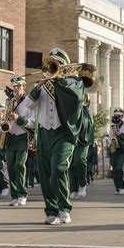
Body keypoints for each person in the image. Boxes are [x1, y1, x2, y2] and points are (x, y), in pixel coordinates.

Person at [25, 48, 85, 224]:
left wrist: (59, 79)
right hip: (44, 132)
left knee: (58, 168)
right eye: (52, 63)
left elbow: (76, 97)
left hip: (63, 132)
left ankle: (64, 207)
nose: (53, 67)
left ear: (64, 67)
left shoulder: (73, 82)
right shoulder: (42, 83)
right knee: (45, 173)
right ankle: (51, 210)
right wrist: (38, 87)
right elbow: (29, 104)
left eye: (57, 64)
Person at [5, 75, 35, 206]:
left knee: (19, 165)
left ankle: (22, 194)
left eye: (18, 86)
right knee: (11, 166)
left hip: (23, 137)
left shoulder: (29, 101)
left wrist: (19, 118)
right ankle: (15, 195)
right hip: (11, 137)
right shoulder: (10, 101)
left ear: (24, 87)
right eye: (14, 86)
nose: (16, 89)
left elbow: (33, 123)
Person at [69, 93, 94, 199]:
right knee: (71, 164)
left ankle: (82, 185)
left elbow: (88, 125)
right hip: (72, 139)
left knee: (79, 161)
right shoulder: (71, 110)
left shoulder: (86, 111)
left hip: (82, 141)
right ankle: (73, 188)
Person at [108, 108, 124, 195]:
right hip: (114, 149)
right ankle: (117, 187)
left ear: (122, 116)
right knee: (114, 170)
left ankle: (121, 186)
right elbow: (109, 137)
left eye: (118, 116)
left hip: (122, 150)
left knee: (119, 168)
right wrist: (111, 142)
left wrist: (119, 134)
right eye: (115, 115)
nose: (116, 117)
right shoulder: (112, 127)